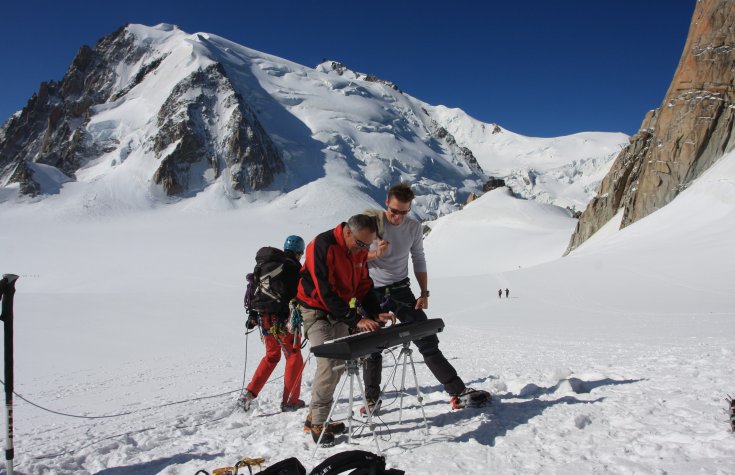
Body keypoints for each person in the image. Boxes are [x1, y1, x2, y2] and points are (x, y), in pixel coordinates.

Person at [362, 183, 491, 412]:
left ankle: (457, 392)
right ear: (386, 204)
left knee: (427, 339)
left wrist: (424, 293)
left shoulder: (413, 227)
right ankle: (371, 400)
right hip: (373, 292)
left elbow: (418, 258)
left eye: (404, 212)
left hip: (402, 290)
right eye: (394, 211)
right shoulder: (372, 225)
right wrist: (375, 254)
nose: (398, 217)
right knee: (372, 346)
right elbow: (355, 258)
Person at [296, 214, 395, 446]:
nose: (364, 249)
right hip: (316, 310)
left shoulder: (358, 250)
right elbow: (324, 290)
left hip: (339, 310)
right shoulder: (322, 245)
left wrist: (373, 313)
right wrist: (355, 319)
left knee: (340, 366)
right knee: (329, 364)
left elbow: (363, 286)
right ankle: (319, 422)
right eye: (361, 244)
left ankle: (315, 417)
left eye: (367, 245)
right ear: (348, 232)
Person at [239, 235, 306, 413]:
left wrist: (253, 314)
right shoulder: (293, 268)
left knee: (271, 357)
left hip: (264, 319)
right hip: (284, 320)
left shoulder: (266, 265)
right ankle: (290, 400)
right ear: (299, 253)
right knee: (293, 356)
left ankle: (249, 394)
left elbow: (255, 290)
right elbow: (298, 294)